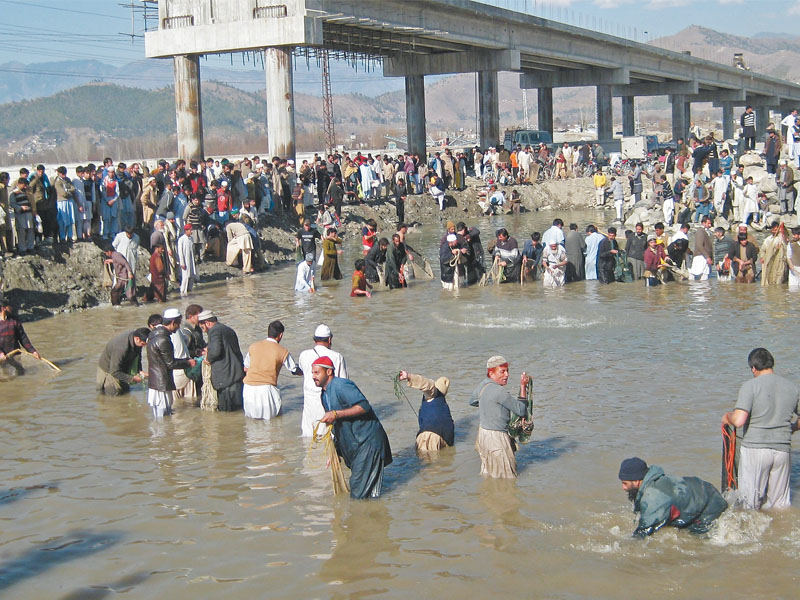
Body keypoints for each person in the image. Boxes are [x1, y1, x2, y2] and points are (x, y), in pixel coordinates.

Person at [722, 348, 800, 510]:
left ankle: (753, 534)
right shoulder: (792, 388)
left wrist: (727, 417)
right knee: (779, 507)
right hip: (782, 451)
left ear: (753, 368)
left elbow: (739, 420)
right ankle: (778, 533)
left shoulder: (750, 386)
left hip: (755, 450)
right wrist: (792, 428)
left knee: (749, 505)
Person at [312, 356, 393, 499]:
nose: (313, 376)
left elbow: (364, 406)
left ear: (329, 372)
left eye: (317, 372)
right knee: (368, 494)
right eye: (312, 373)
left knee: (357, 493)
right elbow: (336, 425)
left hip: (368, 442)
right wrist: (335, 451)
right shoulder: (324, 394)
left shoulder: (342, 386)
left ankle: (359, 519)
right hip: (355, 445)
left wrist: (336, 414)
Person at [618, 457, 728, 537]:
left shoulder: (653, 497)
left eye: (625, 483)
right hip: (702, 492)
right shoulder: (653, 481)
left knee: (696, 542)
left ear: (637, 481)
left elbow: (643, 532)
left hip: (709, 506)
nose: (623, 488)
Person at [469, 355, 531, 478]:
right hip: (497, 438)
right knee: (507, 478)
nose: (507, 375)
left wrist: (490, 405)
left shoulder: (483, 385)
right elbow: (522, 410)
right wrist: (523, 387)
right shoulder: (499, 391)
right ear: (491, 373)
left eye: (507, 371)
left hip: (483, 436)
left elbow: (472, 401)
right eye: (502, 371)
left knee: (489, 474)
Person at [242, 320, 302, 420]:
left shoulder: (253, 347)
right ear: (281, 335)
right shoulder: (282, 351)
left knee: (252, 423)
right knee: (270, 423)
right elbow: (294, 370)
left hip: (248, 389)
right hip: (266, 391)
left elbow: (246, 368)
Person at [297, 324, 348, 438]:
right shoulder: (337, 357)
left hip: (309, 407)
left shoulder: (304, 355)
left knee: (310, 439)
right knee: (328, 440)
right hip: (328, 406)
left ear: (314, 339)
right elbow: (344, 385)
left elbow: (301, 370)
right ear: (329, 339)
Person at [146, 309, 196, 417]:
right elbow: (170, 363)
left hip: (155, 382)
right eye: (178, 324)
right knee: (163, 417)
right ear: (173, 322)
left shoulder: (153, 335)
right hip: (162, 383)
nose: (178, 327)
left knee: (159, 418)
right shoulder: (163, 339)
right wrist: (188, 363)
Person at [398, 370, 454, 454]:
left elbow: (427, 384)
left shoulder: (433, 394)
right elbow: (427, 384)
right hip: (440, 438)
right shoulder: (440, 401)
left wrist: (409, 376)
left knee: (426, 464)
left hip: (430, 437)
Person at [199, 310, 245, 412]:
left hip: (226, 378)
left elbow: (215, 351)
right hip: (236, 374)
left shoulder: (214, 331)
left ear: (207, 323)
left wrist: (208, 359)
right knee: (238, 409)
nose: (203, 331)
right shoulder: (227, 329)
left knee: (227, 411)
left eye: (202, 327)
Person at [96, 327, 149, 395]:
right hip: (109, 370)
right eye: (143, 344)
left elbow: (138, 356)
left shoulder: (137, 339)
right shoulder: (121, 348)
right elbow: (114, 371)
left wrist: (139, 371)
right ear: (137, 339)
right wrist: (132, 378)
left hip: (122, 368)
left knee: (126, 392)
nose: (144, 346)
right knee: (114, 395)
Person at [0, 302, 41, 375]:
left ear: (3, 309)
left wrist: (32, 351)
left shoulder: (14, 321)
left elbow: (23, 337)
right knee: (5, 375)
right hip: (2, 356)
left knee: (20, 373)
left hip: (15, 354)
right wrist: (0, 354)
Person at [177, 223, 197, 296]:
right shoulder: (181, 239)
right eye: (190, 230)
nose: (192, 232)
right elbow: (180, 252)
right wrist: (182, 263)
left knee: (192, 276)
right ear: (186, 231)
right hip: (185, 261)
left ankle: (190, 290)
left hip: (191, 260)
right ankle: (183, 292)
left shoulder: (191, 238)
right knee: (185, 277)